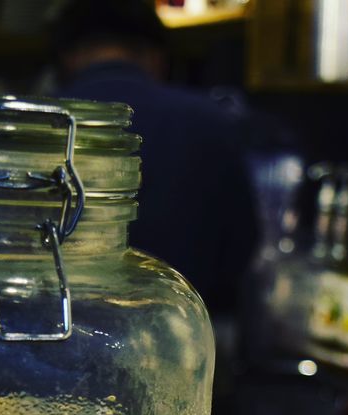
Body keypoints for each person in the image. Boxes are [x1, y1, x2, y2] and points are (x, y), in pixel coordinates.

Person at [51, 0, 259, 318]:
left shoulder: (37, 124)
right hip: (183, 334)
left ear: (67, 57)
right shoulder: (210, 121)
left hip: (47, 333)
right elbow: (241, 250)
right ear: (158, 57)